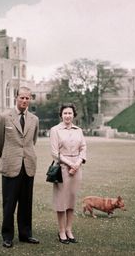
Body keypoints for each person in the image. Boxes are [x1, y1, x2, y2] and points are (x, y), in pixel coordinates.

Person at [0, 86, 40, 248]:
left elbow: (32, 141)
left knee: (26, 203)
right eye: (22, 97)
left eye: (27, 98)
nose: (25, 100)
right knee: (9, 203)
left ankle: (26, 234)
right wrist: (8, 156)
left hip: (28, 165)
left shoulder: (34, 119)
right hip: (10, 165)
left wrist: (24, 155)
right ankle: (7, 236)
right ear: (16, 97)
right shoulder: (4, 117)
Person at [49, 103, 87, 244]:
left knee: (71, 201)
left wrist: (77, 163)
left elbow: (83, 148)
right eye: (65, 113)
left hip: (76, 170)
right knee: (61, 202)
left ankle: (69, 230)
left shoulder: (79, 130)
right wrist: (70, 164)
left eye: (70, 113)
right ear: (61, 115)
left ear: (73, 115)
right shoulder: (55, 130)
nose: (67, 116)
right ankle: (61, 231)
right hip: (62, 169)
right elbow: (54, 153)